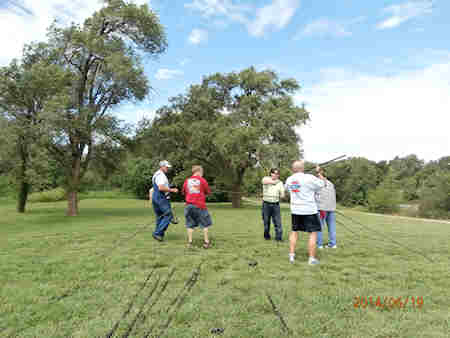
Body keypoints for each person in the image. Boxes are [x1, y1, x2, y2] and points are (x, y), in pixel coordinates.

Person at [285, 160, 325, 265]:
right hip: (309, 210)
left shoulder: (289, 179)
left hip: (295, 210)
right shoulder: (309, 178)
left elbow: (287, 189)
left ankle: (291, 256)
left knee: (294, 232)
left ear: (293, 169)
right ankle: (311, 259)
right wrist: (319, 173)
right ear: (302, 168)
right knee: (313, 233)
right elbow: (322, 184)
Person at [182, 165, 212, 248]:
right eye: (202, 172)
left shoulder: (187, 181)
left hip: (189, 206)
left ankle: (190, 242)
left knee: (189, 224)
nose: (202, 174)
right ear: (199, 171)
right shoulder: (202, 180)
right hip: (200, 206)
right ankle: (206, 242)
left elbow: (184, 191)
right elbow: (208, 192)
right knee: (205, 224)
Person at [151, 160, 178, 241]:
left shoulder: (156, 174)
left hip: (156, 197)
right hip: (161, 197)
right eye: (166, 167)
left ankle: (159, 235)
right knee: (168, 215)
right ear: (162, 166)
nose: (167, 169)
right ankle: (157, 233)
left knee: (160, 216)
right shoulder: (161, 175)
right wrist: (172, 190)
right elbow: (161, 187)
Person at [315, 168, 337, 249]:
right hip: (331, 208)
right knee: (332, 226)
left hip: (322, 209)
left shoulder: (318, 183)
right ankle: (333, 244)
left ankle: (319, 245)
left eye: (318, 174)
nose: (317, 175)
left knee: (319, 227)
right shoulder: (331, 183)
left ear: (320, 174)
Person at [261, 168, 285, 241]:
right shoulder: (265, 178)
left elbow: (282, 193)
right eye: (274, 173)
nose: (276, 175)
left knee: (278, 222)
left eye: (277, 173)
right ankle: (267, 236)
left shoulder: (280, 183)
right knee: (266, 222)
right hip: (266, 204)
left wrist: (282, 195)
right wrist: (274, 182)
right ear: (271, 173)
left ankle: (278, 238)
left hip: (275, 205)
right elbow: (264, 182)